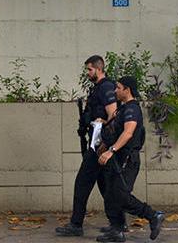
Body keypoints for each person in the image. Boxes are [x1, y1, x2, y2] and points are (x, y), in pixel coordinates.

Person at [56, 55, 119, 237]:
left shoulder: (106, 86)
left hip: (99, 144)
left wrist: (103, 127)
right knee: (105, 185)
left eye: (89, 70)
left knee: (82, 183)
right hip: (97, 142)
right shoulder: (99, 87)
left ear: (99, 69)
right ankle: (118, 223)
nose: (88, 73)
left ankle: (76, 225)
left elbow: (113, 114)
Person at [96, 76, 164, 242]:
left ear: (127, 89)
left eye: (118, 88)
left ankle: (153, 215)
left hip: (127, 159)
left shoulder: (132, 109)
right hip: (117, 158)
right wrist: (103, 125)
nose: (115, 91)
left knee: (120, 195)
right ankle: (116, 230)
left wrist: (111, 150)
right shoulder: (123, 109)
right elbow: (116, 129)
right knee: (110, 194)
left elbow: (128, 132)